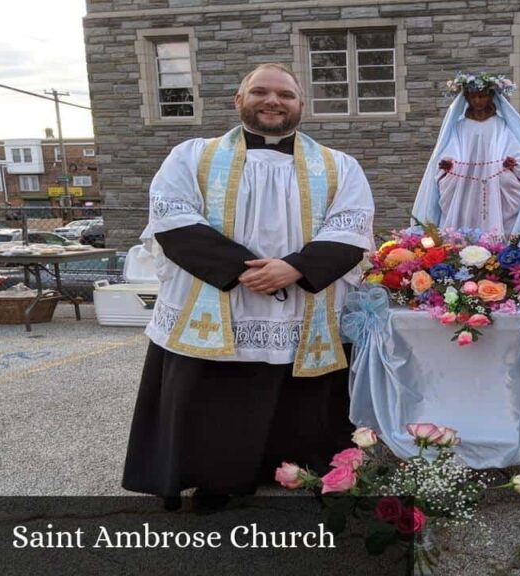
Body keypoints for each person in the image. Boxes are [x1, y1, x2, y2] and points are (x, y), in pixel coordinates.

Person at [122, 63, 375, 510]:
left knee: (302, 398)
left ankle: (305, 470)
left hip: (302, 300)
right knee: (215, 395)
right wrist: (244, 270)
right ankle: (212, 478)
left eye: (286, 94)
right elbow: (173, 217)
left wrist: (295, 269)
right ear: (239, 100)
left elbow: (352, 228)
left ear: (302, 105)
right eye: (260, 91)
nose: (273, 101)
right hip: (218, 297)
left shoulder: (340, 166)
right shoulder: (190, 156)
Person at [411, 72, 520, 235]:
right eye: (473, 97)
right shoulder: (459, 127)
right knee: (462, 217)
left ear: (491, 97)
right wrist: (450, 166)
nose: (478, 101)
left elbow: (516, 153)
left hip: (495, 184)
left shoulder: (501, 125)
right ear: (466, 98)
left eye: (482, 96)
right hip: (463, 184)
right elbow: (449, 151)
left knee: (496, 211)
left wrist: (509, 165)